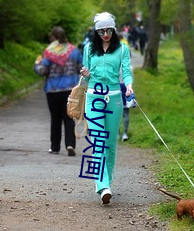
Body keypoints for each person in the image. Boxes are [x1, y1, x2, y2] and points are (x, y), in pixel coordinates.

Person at [80, 12, 133, 204]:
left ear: (114, 29)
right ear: (96, 31)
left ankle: (107, 183)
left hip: (114, 98)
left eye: (109, 30)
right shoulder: (88, 49)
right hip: (94, 97)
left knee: (110, 144)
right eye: (101, 31)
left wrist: (128, 85)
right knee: (98, 142)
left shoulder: (122, 49)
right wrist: (85, 73)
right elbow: (86, 77)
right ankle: (102, 185)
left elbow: (126, 71)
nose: (105, 34)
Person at [34, 26, 83, 156]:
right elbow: (81, 68)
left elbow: (42, 71)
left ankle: (55, 147)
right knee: (68, 118)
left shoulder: (49, 52)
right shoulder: (74, 51)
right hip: (70, 90)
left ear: (53, 38)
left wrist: (37, 64)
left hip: (53, 90)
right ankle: (70, 144)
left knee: (55, 119)